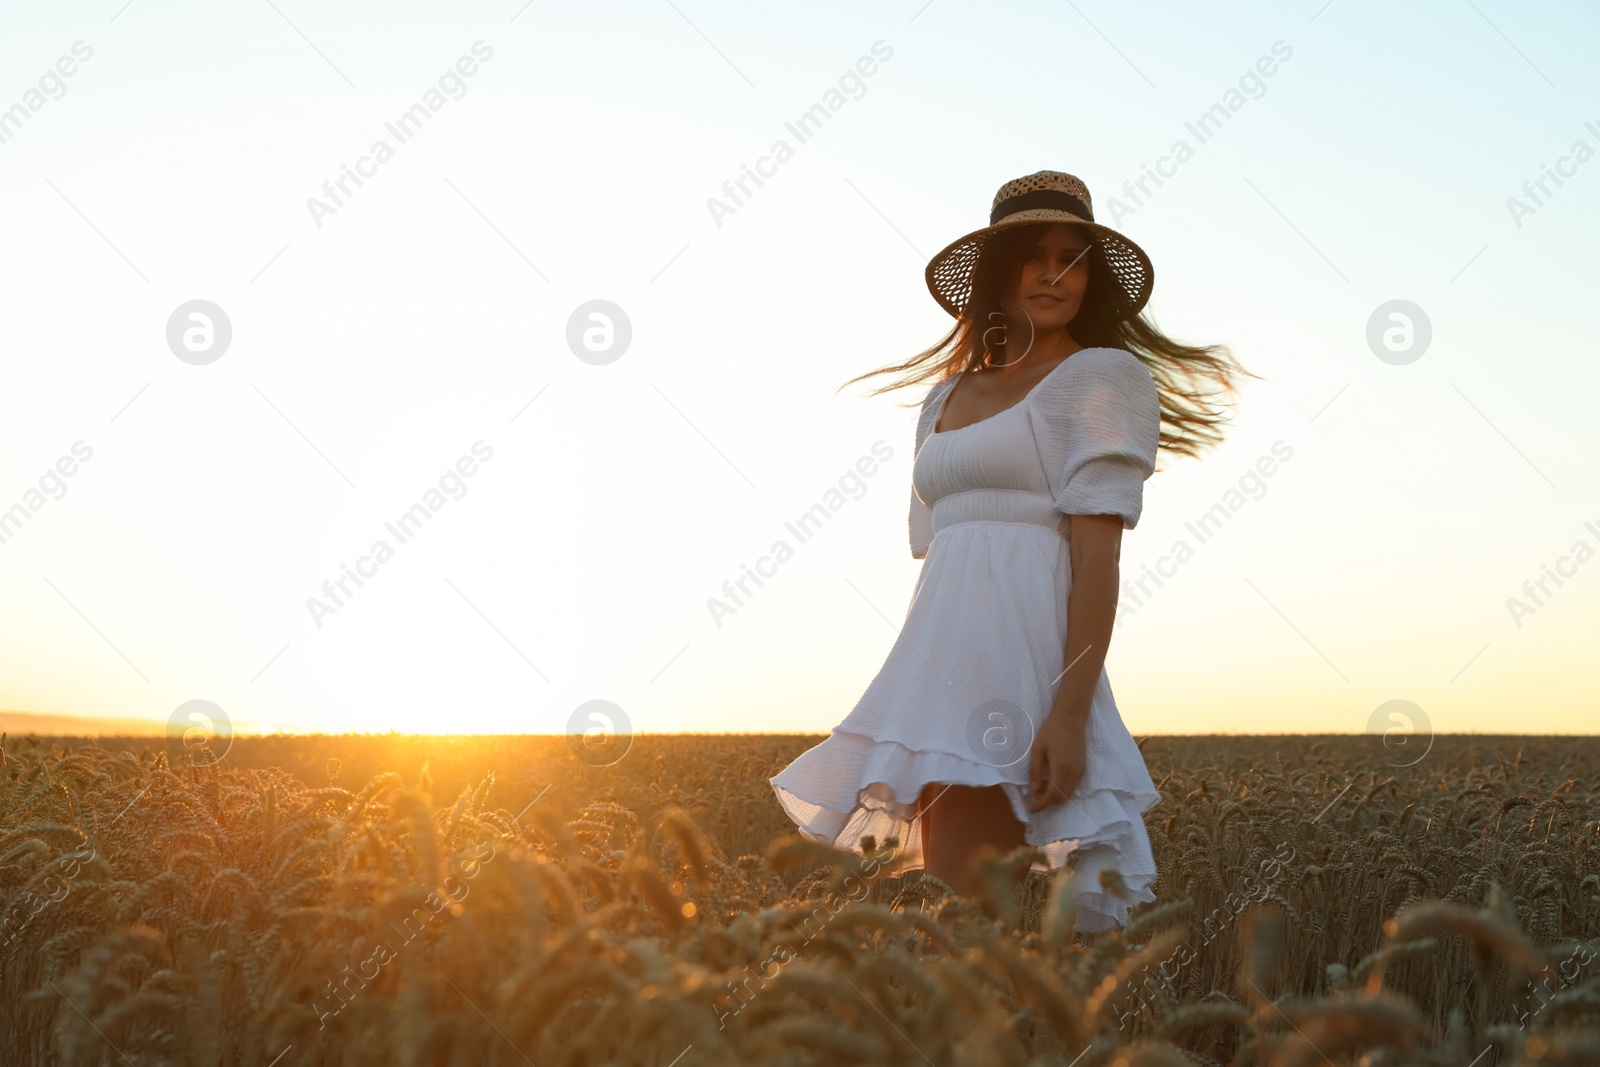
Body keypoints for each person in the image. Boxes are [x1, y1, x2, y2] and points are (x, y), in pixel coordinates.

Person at [769, 170, 1254, 931]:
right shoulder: (943, 398)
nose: (1055, 275)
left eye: (1073, 257)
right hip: (939, 677)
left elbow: (1097, 562)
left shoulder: (1098, 377)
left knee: (998, 932)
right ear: (1000, 271)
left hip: (1029, 671)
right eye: (1034, 255)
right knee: (957, 924)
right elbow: (945, 554)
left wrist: (1067, 714)